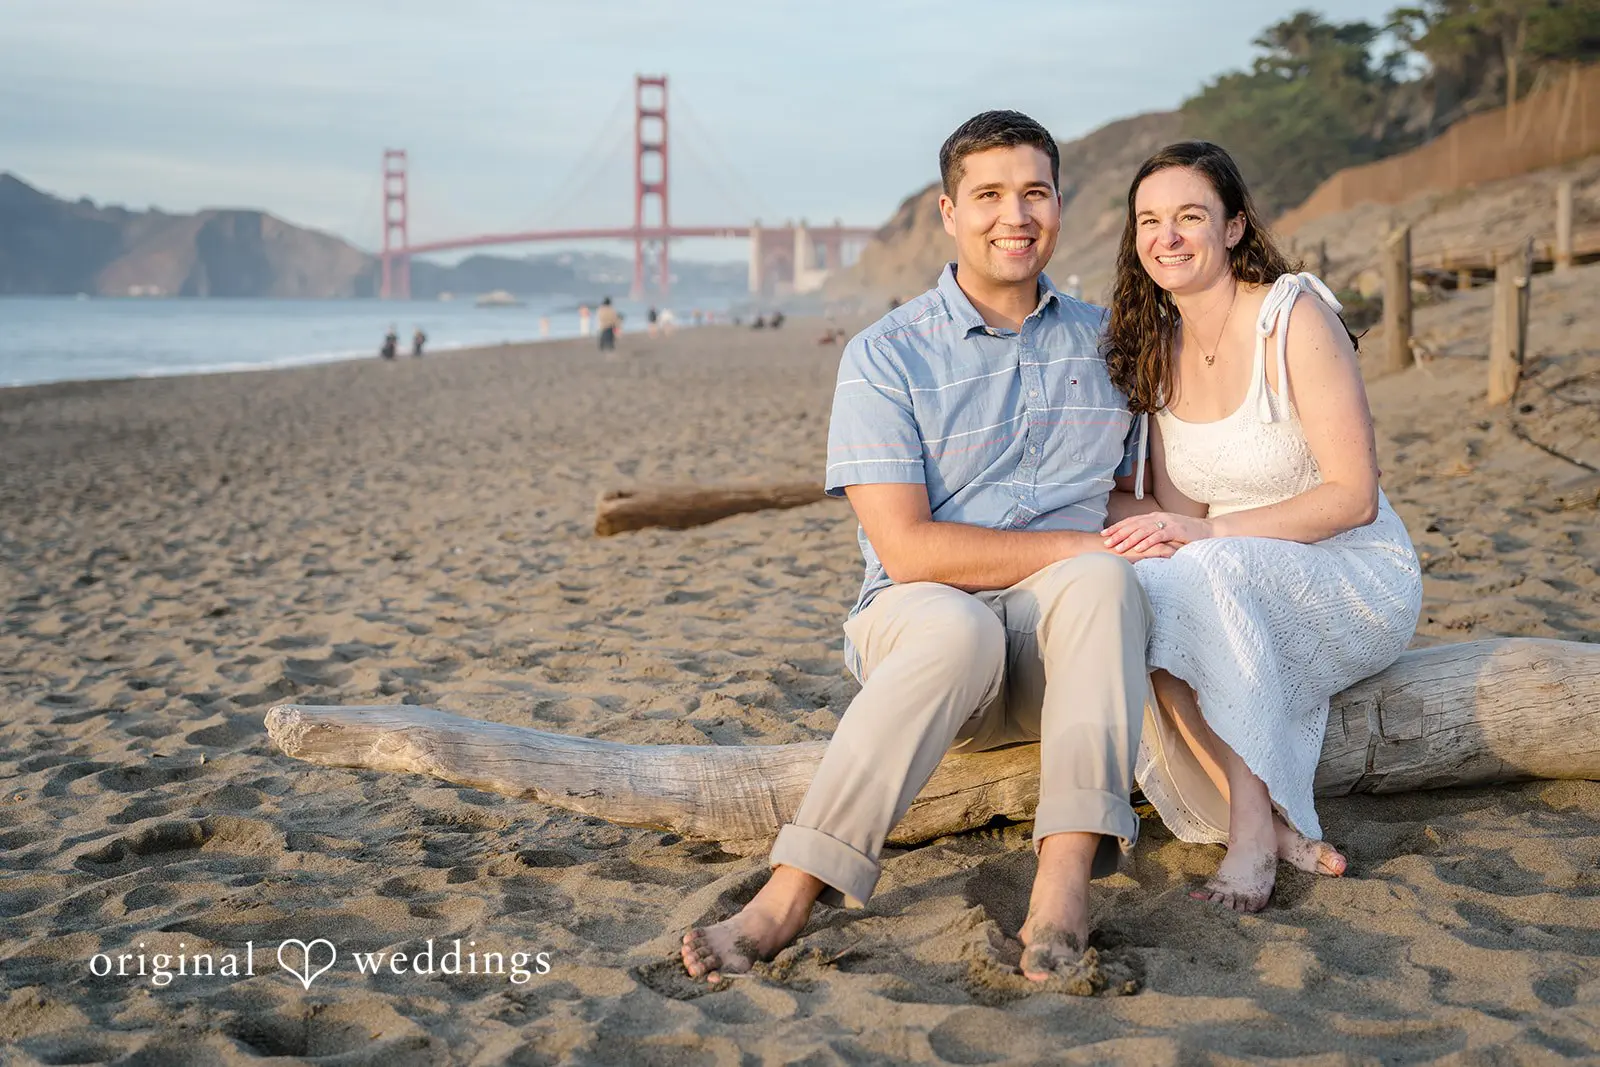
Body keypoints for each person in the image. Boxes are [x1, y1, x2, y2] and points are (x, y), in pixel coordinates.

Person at [681, 110, 1163, 985]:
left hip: (1072, 658)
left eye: (1033, 193)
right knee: (965, 624)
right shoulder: (885, 356)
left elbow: (1143, 495)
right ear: (949, 212)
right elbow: (907, 551)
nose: (1013, 216)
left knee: (1101, 578)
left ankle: (1062, 885)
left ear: (1060, 205)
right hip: (928, 647)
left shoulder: (1112, 344)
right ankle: (792, 891)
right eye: (988, 195)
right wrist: (1082, 544)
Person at [1098, 141, 1423, 912]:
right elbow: (1183, 512)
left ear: (1235, 225)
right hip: (1240, 573)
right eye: (1150, 221)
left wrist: (1209, 537)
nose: (1166, 237)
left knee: (1204, 568)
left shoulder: (1294, 315)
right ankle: (1276, 825)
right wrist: (1085, 509)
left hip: (1354, 570)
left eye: (1188, 217)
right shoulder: (1161, 349)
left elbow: (1354, 497)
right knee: (1147, 582)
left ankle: (1250, 838)